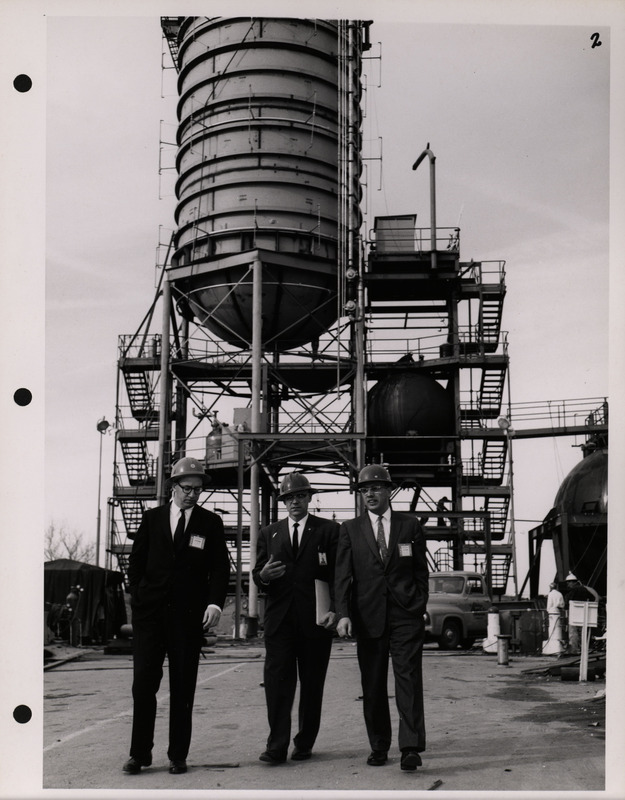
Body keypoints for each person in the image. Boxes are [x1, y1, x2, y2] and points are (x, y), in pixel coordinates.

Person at [123, 457, 231, 776]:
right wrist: (139, 598)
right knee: (143, 684)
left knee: (183, 687)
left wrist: (214, 604)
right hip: (151, 617)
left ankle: (177, 755)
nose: (192, 495)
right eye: (187, 488)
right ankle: (139, 754)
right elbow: (135, 564)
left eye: (198, 490)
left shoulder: (209, 524)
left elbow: (220, 568)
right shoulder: (151, 519)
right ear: (173, 487)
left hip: (187, 619)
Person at [335, 465, 429, 772]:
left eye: (376, 488)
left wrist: (418, 603)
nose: (370, 494)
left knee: (408, 680)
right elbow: (343, 576)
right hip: (368, 616)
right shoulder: (350, 528)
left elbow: (419, 571)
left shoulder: (409, 525)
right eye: (364, 490)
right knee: (373, 684)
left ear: (389, 491)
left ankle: (410, 747)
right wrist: (344, 614)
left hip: (405, 615)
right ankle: (379, 745)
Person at [252, 472, 339, 764]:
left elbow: (339, 576)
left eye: (300, 496)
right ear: (283, 501)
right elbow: (257, 573)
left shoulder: (328, 531)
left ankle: (304, 743)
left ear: (309, 497)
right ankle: (276, 745)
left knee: (312, 685)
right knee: (278, 685)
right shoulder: (269, 533)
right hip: (279, 624)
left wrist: (336, 611)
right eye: (289, 498)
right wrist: (262, 577)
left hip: (316, 622)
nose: (295, 502)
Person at [563, 572, 596, 655]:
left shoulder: (573, 591)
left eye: (569, 582)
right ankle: (585, 649)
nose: (568, 584)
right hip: (584, 614)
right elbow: (592, 598)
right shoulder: (584, 589)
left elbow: (567, 602)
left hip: (574, 614)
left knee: (573, 632)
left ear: (573, 582)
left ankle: (574, 650)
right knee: (583, 632)